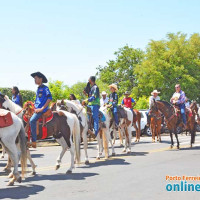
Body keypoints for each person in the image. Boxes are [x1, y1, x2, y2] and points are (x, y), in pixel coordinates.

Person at [29, 72, 52, 148]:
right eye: (34, 78)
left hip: (42, 110)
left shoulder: (45, 88)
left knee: (32, 120)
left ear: (40, 79)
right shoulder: (38, 88)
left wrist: (42, 108)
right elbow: (37, 100)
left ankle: (34, 141)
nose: (34, 80)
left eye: (36, 78)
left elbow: (49, 98)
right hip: (36, 109)